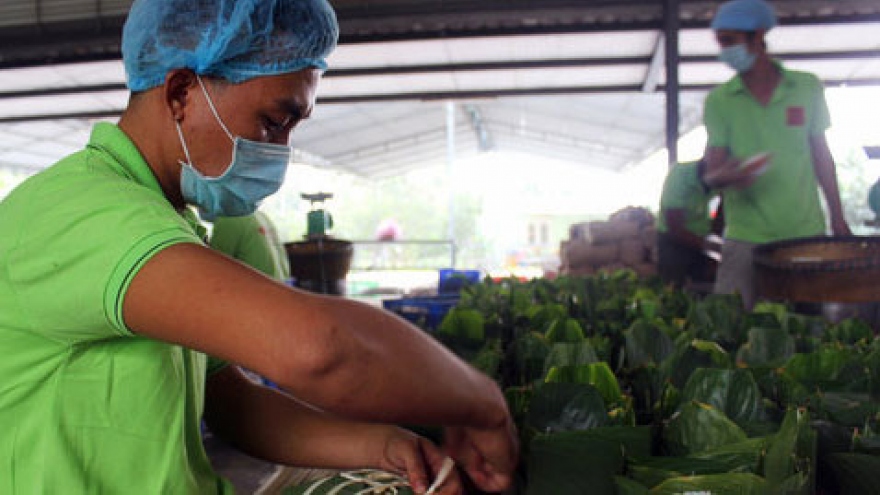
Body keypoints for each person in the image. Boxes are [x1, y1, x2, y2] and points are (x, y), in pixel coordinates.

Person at [0, 1, 518, 494]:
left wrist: (382, 445)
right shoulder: (83, 212)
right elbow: (323, 351)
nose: (279, 152)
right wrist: (482, 403)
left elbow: (230, 404)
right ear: (181, 91)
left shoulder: (164, 221)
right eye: (273, 122)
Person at [702, 0, 851, 309]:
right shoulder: (720, 101)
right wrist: (727, 176)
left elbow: (821, 156)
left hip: (804, 231)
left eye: (729, 41)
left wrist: (838, 217)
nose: (723, 51)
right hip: (745, 234)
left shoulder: (806, 87)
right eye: (720, 42)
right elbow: (712, 171)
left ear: (757, 36)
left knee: (808, 326)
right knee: (731, 323)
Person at [656, 159, 723, 290]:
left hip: (702, 239)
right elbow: (674, 227)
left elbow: (720, 216)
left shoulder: (719, 181)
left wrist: (714, 255)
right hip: (673, 240)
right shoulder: (679, 175)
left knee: (705, 287)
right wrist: (709, 246)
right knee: (672, 288)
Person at [210, 211, 291, 283]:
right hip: (281, 288)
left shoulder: (228, 219)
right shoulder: (261, 216)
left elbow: (214, 270)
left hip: (257, 291)